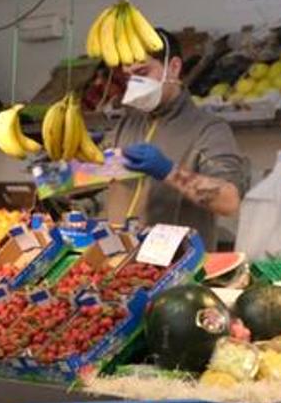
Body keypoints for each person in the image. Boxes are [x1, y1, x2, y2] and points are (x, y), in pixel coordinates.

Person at [106, 29, 250, 252]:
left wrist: (169, 172)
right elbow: (89, 176)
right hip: (120, 261)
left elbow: (229, 201)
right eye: (129, 76)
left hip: (178, 265)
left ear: (173, 67)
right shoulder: (126, 124)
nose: (135, 83)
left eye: (143, 72)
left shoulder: (208, 129)